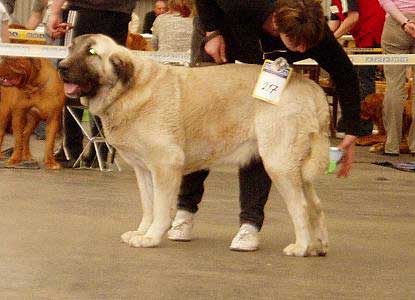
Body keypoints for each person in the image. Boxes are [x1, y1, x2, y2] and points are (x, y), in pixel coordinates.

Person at [168, 0, 364, 251]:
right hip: (221, 37)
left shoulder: (314, 34)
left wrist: (352, 131)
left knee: (264, 134)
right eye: (297, 45)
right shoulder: (247, 5)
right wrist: (212, 32)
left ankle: (250, 224)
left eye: (308, 47)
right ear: (275, 24)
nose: (303, 50)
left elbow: (345, 73)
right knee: (204, 124)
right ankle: (185, 211)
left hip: (271, 66)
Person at [47, 0, 138, 167]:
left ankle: (70, 150)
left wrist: (54, 12)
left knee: (71, 74)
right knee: (110, 77)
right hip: (120, 13)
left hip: (85, 9)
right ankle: (102, 152)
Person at [329, 0, 385, 136]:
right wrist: (323, 37)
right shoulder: (333, 1)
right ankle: (350, 120)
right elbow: (334, 21)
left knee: (365, 79)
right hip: (360, 33)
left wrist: (331, 39)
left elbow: (353, 18)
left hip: (372, 29)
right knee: (354, 78)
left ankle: (364, 126)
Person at [378, 0, 415, 155]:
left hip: (396, 24)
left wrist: (404, 22)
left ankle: (392, 145)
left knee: (394, 87)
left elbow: (385, 1)